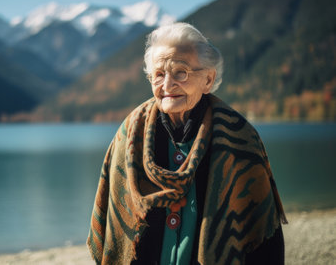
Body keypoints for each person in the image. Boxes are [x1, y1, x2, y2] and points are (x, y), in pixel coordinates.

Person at [87, 22, 287, 265]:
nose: (168, 85)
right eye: (159, 74)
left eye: (180, 72)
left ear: (208, 79)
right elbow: (112, 228)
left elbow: (264, 236)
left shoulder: (240, 138)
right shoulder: (129, 136)